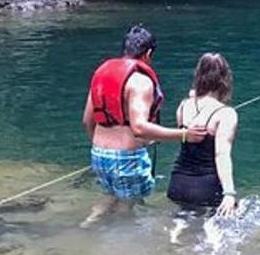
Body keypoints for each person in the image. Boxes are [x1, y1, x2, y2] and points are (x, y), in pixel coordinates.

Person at [81, 25, 207, 227]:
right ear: (148, 54)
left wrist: (102, 148)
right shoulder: (140, 82)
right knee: (126, 206)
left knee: (110, 196)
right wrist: (185, 134)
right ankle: (123, 248)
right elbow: (139, 128)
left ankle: (86, 226)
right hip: (126, 157)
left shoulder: (101, 75)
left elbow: (87, 120)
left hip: (98, 153)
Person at [168, 53, 240, 218]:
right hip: (206, 187)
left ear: (198, 76)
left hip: (178, 184)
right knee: (216, 229)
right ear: (225, 80)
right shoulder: (226, 114)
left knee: (183, 221)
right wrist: (229, 193)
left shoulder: (183, 106)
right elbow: (221, 155)